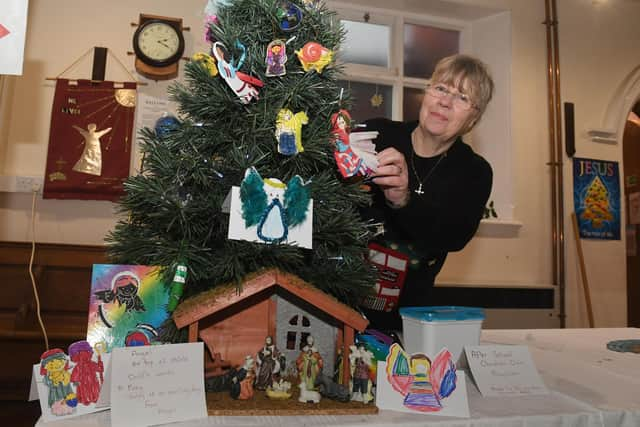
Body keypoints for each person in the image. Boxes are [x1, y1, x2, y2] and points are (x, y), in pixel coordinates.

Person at [361, 54, 494, 331]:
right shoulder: (376, 135)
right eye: (441, 88)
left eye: (462, 97)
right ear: (427, 93)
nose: (445, 101)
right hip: (337, 303)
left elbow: (454, 236)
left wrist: (403, 200)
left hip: (410, 322)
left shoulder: (474, 172)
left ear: (474, 116)